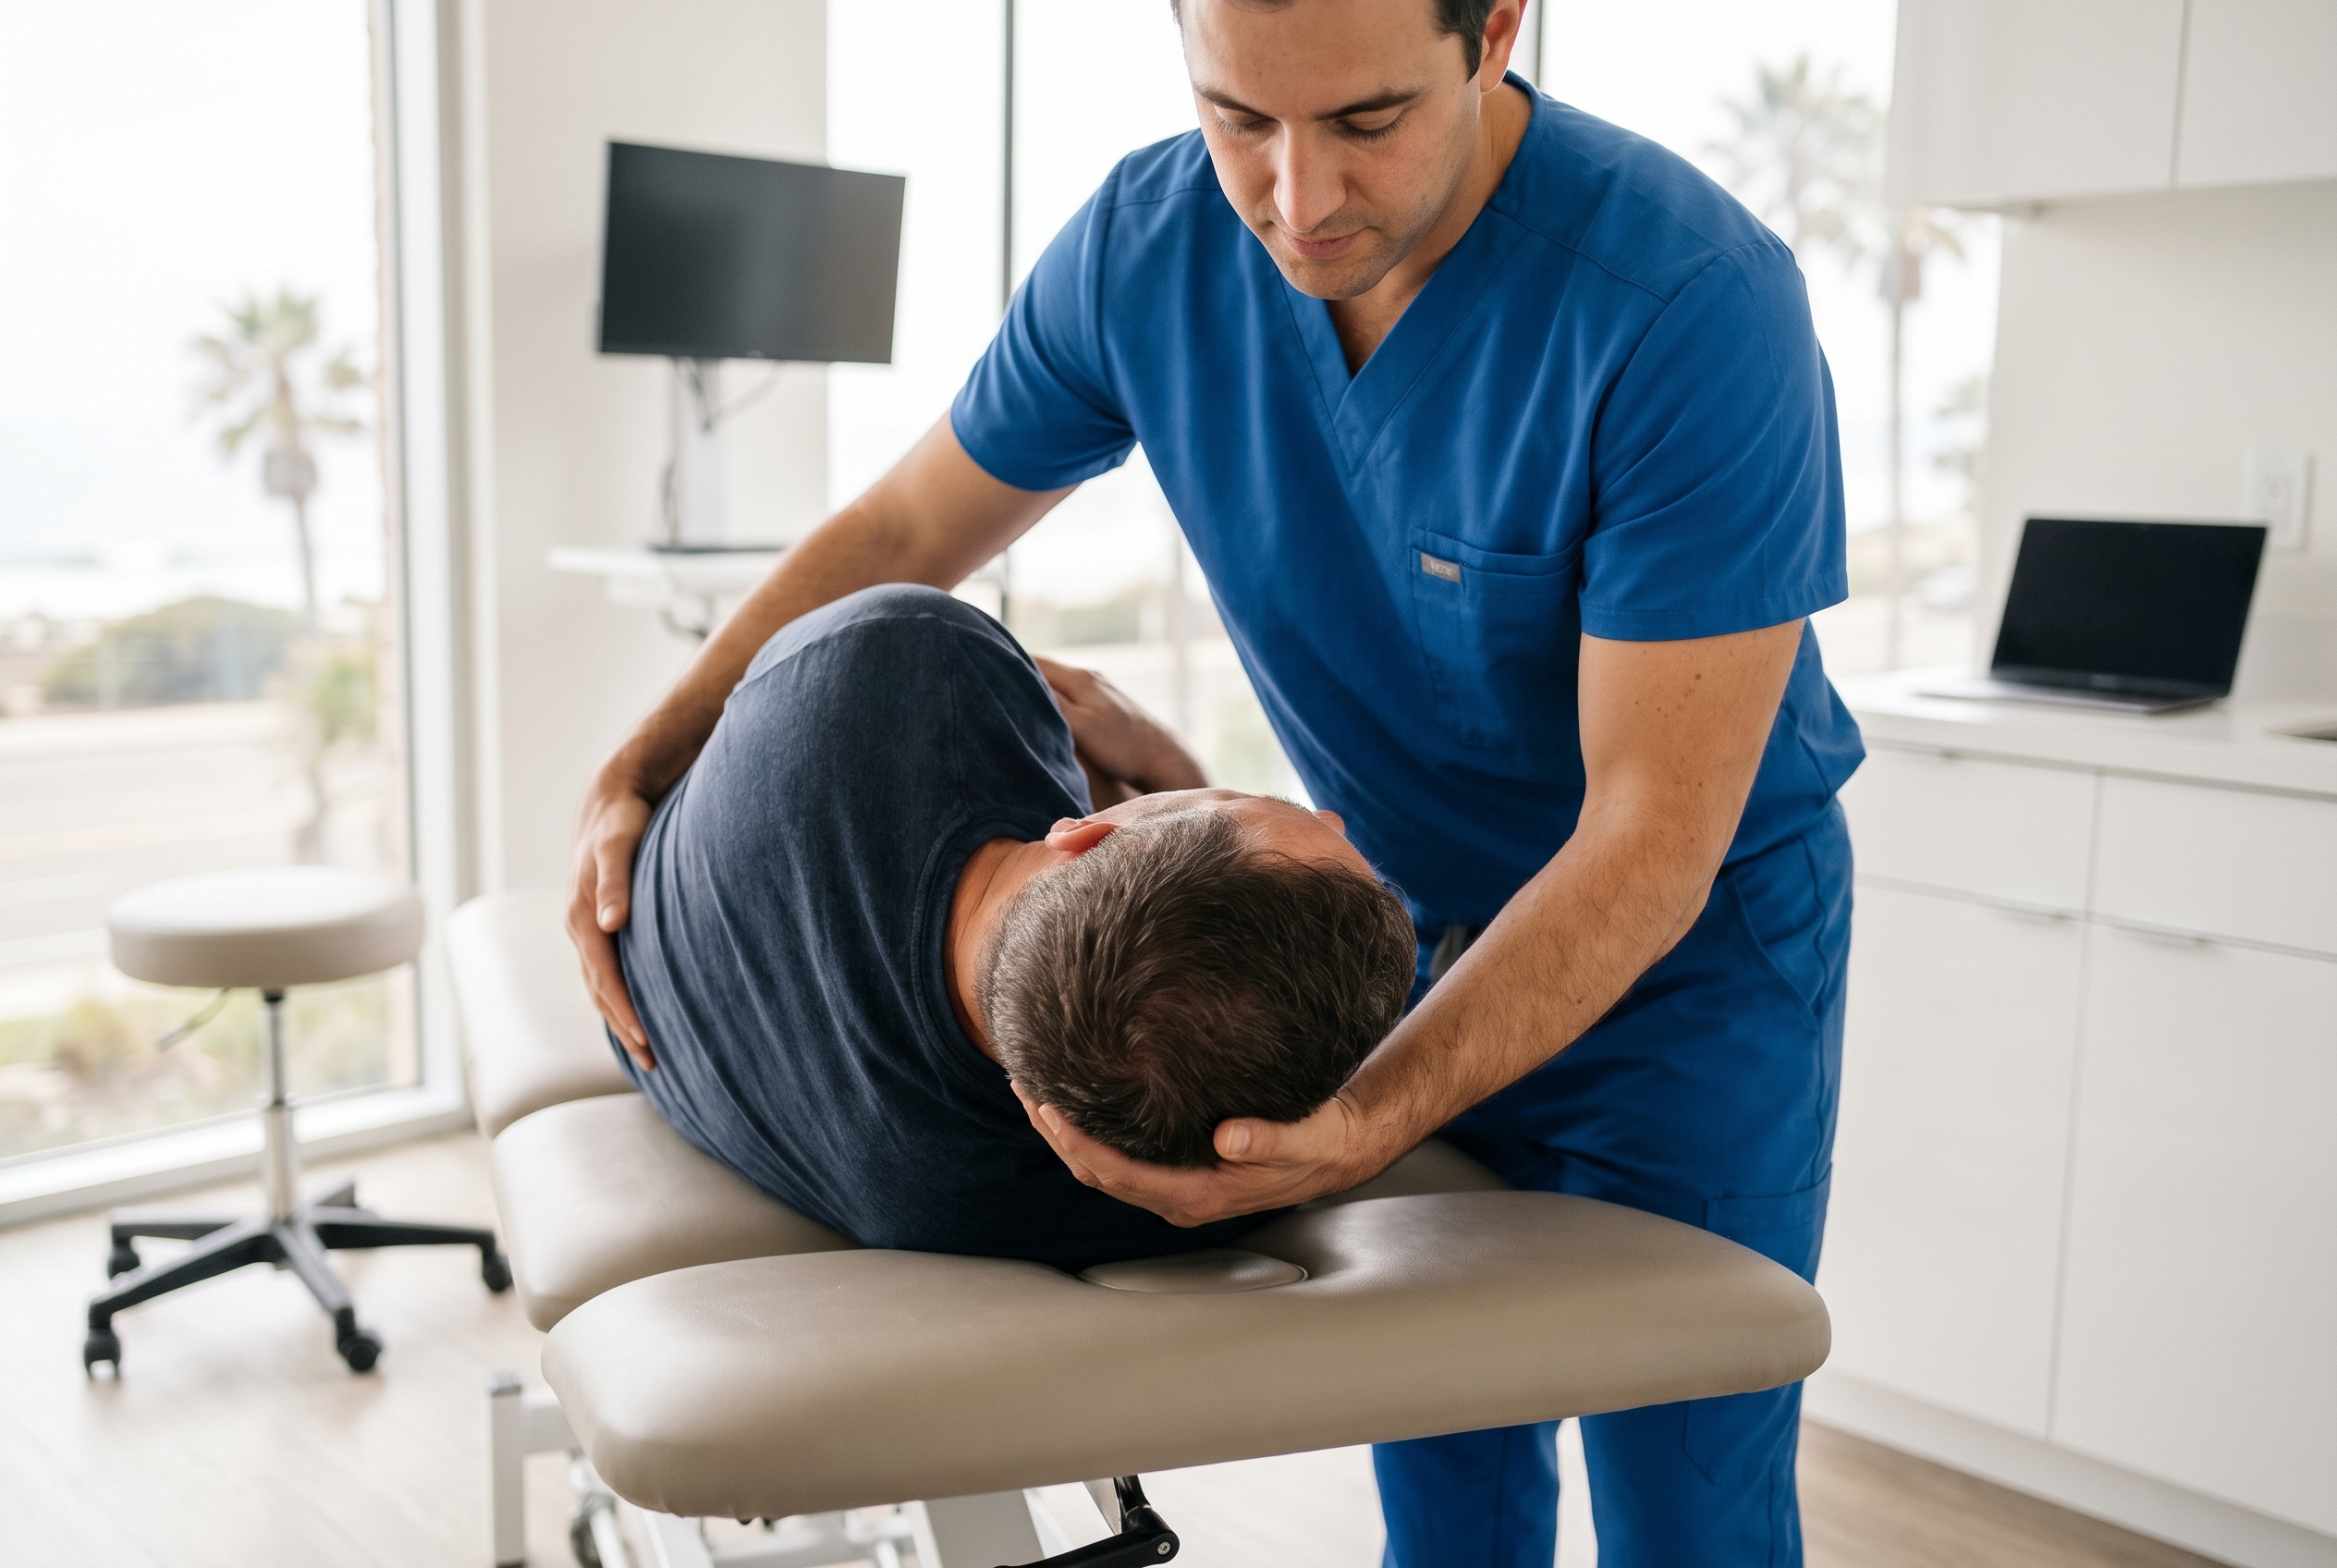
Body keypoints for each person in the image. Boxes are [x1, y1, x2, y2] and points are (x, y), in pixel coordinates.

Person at [569, 1, 1862, 1561]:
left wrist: (1374, 1117)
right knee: (1445, 1478)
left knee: (1687, 1501)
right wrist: (641, 760)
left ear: (1494, 30)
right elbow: (908, 531)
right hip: (1372, 933)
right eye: (1239, 118)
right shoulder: (1150, 245)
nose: (1296, 201)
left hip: (1681, 972)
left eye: (1367, 121)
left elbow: (1648, 835)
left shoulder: (1686, 309)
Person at [613, 583, 1416, 1271]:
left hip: (633, 952)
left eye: (1253, 802)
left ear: (1085, 832)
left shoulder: (905, 653)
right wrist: (1174, 773)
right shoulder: (1043, 1205)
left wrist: (1164, 763)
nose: (1335, 818)